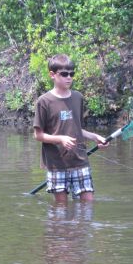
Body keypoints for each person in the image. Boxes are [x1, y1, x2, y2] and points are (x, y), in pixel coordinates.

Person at [33, 54, 108, 202]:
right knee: (61, 211)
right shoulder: (44, 101)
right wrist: (60, 139)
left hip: (80, 160)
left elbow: (77, 128)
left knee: (88, 206)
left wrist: (95, 137)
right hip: (56, 164)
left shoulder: (78, 97)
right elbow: (38, 135)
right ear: (52, 75)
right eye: (64, 74)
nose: (69, 77)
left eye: (72, 74)